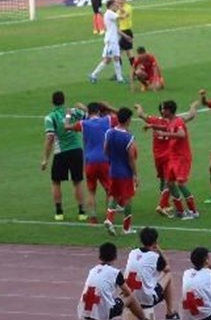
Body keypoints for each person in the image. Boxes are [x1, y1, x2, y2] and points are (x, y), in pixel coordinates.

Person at [78, 242, 157, 320]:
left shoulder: (92, 271)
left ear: (99, 256)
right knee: (130, 297)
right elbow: (128, 292)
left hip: (84, 312)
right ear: (115, 257)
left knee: (109, 298)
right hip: (104, 313)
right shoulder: (115, 273)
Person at [142, 100, 201, 219]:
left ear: (169, 110)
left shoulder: (178, 121)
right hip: (173, 156)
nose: (162, 111)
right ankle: (180, 211)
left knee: (180, 183)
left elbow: (181, 134)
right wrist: (153, 126)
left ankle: (193, 211)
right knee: (170, 183)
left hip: (182, 157)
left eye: (164, 109)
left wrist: (167, 135)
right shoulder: (171, 121)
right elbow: (166, 127)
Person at [64, 101, 116, 224]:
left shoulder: (83, 124)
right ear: (99, 112)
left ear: (88, 112)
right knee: (110, 191)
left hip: (89, 162)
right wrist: (109, 107)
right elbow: (122, 114)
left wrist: (67, 115)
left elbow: (66, 127)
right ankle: (109, 217)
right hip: (104, 160)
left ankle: (92, 217)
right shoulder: (107, 120)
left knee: (91, 191)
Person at [41, 90, 87, 222]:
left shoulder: (50, 117)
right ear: (64, 100)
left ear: (52, 102)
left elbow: (50, 138)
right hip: (77, 150)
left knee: (56, 182)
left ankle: (59, 212)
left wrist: (45, 158)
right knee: (77, 181)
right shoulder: (73, 111)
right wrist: (82, 107)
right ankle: (82, 212)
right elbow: (89, 116)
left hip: (61, 152)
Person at [124, 227, 180, 320]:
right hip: (145, 300)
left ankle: (170, 313)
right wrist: (158, 249)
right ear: (155, 241)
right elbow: (167, 268)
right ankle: (170, 313)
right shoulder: (155, 257)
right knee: (168, 275)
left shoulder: (132, 253)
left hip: (129, 298)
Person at [103, 107, 139, 235]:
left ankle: (109, 219)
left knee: (115, 196)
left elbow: (105, 150)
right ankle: (126, 228)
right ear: (128, 119)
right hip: (125, 173)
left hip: (113, 171)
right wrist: (135, 174)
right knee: (128, 198)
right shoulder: (128, 137)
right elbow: (131, 158)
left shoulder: (109, 132)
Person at [89, 0, 131, 84]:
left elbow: (116, 29)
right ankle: (93, 74)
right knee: (107, 60)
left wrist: (125, 36)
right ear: (111, 6)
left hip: (113, 40)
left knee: (116, 58)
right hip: (111, 41)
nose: (117, 7)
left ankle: (119, 79)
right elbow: (123, 17)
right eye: (115, 5)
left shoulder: (110, 14)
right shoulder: (109, 13)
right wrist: (125, 11)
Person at [116, 0, 135, 73]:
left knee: (118, 53)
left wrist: (119, 7)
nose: (119, 1)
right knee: (129, 53)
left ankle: (118, 74)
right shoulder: (117, 10)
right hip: (122, 32)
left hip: (126, 32)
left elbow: (125, 15)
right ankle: (135, 72)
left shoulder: (128, 7)